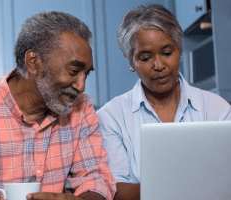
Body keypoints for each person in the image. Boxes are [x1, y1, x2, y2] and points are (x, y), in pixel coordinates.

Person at [0, 11, 116, 200]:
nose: (81, 85)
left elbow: (97, 180)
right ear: (33, 62)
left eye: (87, 74)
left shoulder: (81, 109)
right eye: (74, 71)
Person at [97, 4, 231, 200]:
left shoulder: (217, 108)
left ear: (180, 51)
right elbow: (116, 189)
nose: (159, 66)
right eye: (145, 57)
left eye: (167, 53)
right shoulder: (111, 117)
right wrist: (189, 184)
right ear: (131, 62)